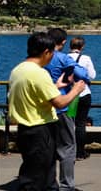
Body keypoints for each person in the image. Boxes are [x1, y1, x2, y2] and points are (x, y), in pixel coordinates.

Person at [8, 32, 86, 191]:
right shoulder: (39, 73)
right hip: (40, 129)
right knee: (37, 180)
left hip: (25, 128)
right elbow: (59, 102)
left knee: (41, 175)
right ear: (46, 52)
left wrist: (55, 87)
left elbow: (33, 94)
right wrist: (76, 90)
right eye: (52, 53)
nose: (52, 57)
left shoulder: (18, 69)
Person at [43, 28, 90, 191]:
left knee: (47, 147)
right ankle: (66, 185)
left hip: (43, 107)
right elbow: (83, 73)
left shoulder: (40, 58)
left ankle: (48, 183)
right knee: (68, 147)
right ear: (63, 42)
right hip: (62, 105)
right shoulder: (63, 58)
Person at [67, 36, 96, 161]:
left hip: (68, 94)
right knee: (80, 124)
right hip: (84, 93)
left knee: (69, 124)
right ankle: (80, 152)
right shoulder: (86, 58)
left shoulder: (64, 58)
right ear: (82, 46)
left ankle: (68, 150)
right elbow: (92, 75)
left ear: (70, 46)